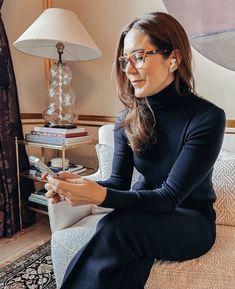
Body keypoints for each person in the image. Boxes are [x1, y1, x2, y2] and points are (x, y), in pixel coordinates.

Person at [44, 12, 226, 289]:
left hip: (192, 222)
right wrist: (78, 185)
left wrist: (100, 195)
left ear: (173, 58)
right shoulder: (127, 119)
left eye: (139, 56)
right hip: (146, 215)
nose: (128, 70)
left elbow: (168, 198)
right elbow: (118, 183)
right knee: (113, 227)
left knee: (117, 227)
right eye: (125, 60)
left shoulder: (207, 118)